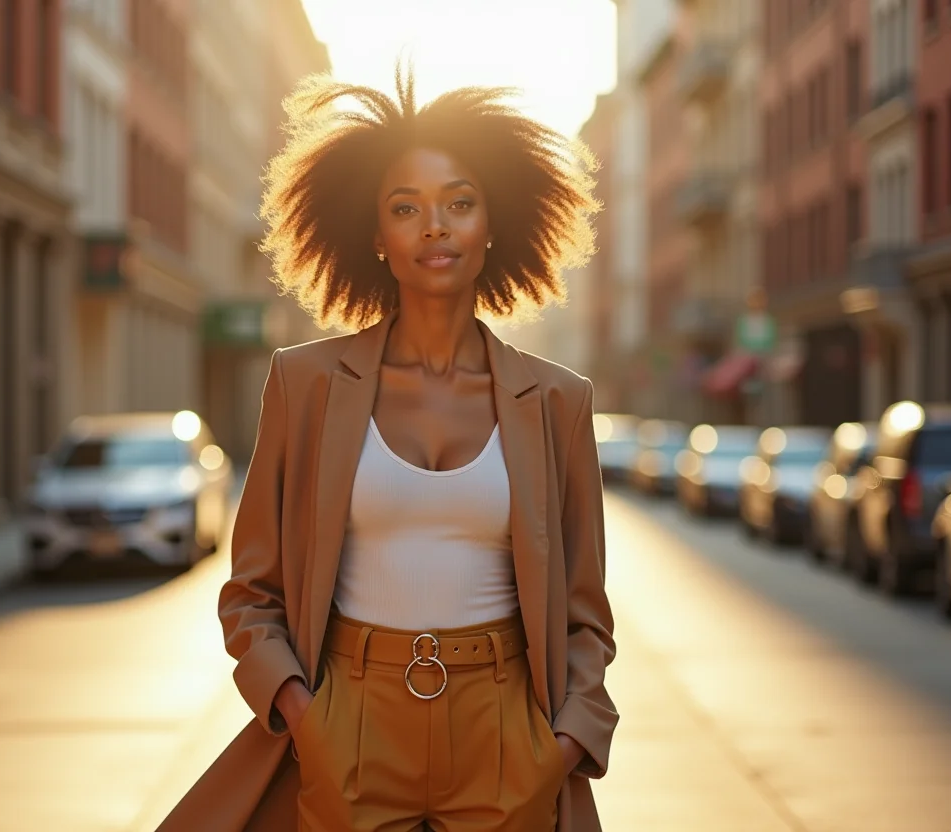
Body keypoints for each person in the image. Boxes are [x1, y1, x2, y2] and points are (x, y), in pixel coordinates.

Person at [156, 67, 619, 832]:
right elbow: (252, 593)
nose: (435, 226)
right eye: (407, 208)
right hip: (350, 722)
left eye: (459, 204)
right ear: (374, 235)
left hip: (507, 728)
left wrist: (565, 742)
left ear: (493, 224)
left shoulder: (558, 402)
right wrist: (306, 716)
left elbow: (585, 616)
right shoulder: (303, 385)